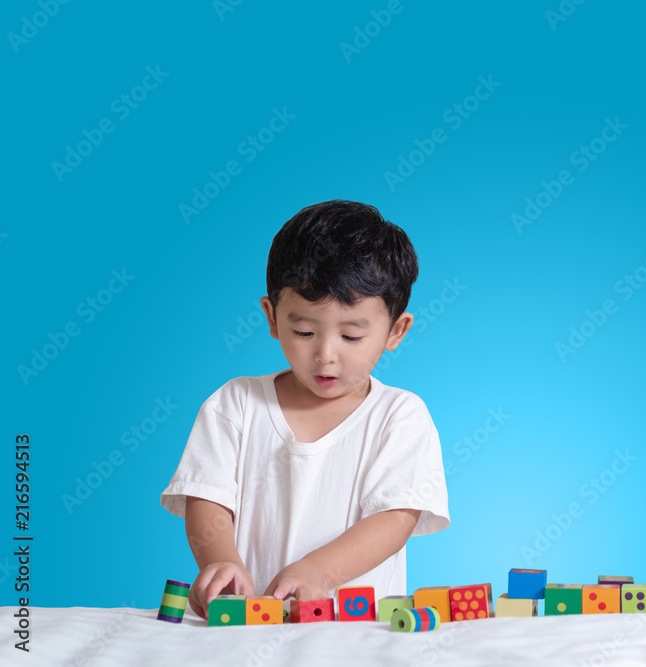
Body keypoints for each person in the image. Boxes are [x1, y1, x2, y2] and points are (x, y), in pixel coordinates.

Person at [160, 200, 449, 619]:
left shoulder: (399, 416)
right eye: (303, 331)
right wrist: (220, 561)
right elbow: (207, 498)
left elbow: (395, 517)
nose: (325, 355)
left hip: (358, 634)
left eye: (351, 337)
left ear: (395, 331)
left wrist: (319, 572)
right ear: (272, 317)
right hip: (249, 630)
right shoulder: (235, 404)